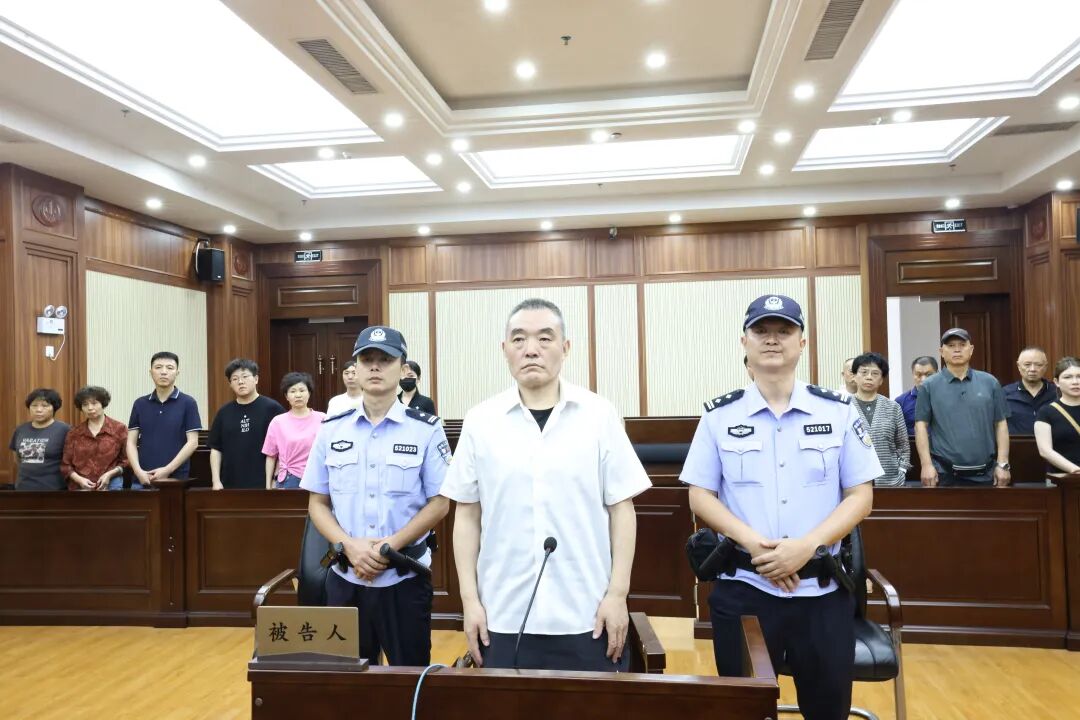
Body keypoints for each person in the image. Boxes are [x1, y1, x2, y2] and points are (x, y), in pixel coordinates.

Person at [681, 294, 881, 720]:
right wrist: (757, 546)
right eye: (761, 331)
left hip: (822, 593)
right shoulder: (718, 416)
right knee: (743, 711)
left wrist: (807, 546)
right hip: (745, 590)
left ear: (802, 343)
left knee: (827, 711)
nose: (772, 339)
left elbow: (861, 496)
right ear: (745, 342)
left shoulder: (839, 411)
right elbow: (700, 495)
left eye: (784, 330)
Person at [441, 298, 651, 672]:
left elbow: (622, 509)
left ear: (565, 347)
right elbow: (467, 517)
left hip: (588, 612)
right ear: (504, 349)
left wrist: (618, 594)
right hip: (501, 614)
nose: (531, 349)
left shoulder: (599, 415)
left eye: (544, 338)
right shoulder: (480, 421)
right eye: (519, 339)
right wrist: (469, 601)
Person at [301, 325, 450, 666]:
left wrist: (389, 546)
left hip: (404, 577)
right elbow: (317, 504)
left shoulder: (426, 429)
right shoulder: (331, 428)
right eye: (367, 359)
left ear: (403, 368)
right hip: (345, 577)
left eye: (385, 359)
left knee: (409, 678)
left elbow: (440, 503)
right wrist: (351, 547)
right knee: (347, 682)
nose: (375, 367)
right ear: (355, 367)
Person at [914, 329, 1011, 487]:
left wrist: (1003, 464)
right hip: (944, 474)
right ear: (941, 352)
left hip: (986, 473)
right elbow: (920, 427)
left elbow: (1001, 424)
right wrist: (926, 465)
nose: (957, 349)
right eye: (951, 346)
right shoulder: (929, 386)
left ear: (971, 349)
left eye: (962, 345)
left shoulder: (990, 382)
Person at [126, 351, 202, 488]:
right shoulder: (140, 403)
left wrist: (167, 470)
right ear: (151, 372)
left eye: (170, 368)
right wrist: (138, 472)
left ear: (177, 373)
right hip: (142, 478)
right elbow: (131, 443)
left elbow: (193, 442)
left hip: (176, 478)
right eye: (158, 367)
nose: (164, 372)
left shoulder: (188, 403)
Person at [208, 359, 285, 490]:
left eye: (245, 376)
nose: (240, 382)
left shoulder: (273, 409)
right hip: (230, 483)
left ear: (256, 379)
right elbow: (215, 449)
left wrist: (275, 479)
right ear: (230, 384)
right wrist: (216, 481)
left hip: (264, 483)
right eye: (235, 379)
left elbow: (283, 448)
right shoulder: (224, 412)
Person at [850, 352, 910, 486]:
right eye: (864, 372)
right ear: (854, 376)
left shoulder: (893, 407)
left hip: (890, 481)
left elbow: (903, 445)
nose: (869, 377)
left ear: (882, 380)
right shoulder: (844, 407)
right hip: (853, 481)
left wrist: (902, 471)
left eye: (875, 373)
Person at [262, 372, 325, 489]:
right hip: (288, 480)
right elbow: (271, 456)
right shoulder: (278, 421)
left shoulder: (322, 419)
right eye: (293, 391)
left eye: (302, 390)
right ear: (286, 396)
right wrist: (268, 485)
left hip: (317, 477)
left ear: (309, 393)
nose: (298, 395)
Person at [61, 386, 127, 491]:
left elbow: (126, 461)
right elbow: (66, 465)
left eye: (94, 403)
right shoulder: (74, 432)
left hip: (111, 484)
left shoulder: (119, 428)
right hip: (80, 486)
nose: (90, 408)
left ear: (103, 404)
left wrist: (110, 474)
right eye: (85, 404)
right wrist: (79, 480)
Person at [8, 389, 71, 491]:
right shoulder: (20, 430)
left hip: (55, 490)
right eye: (34, 405)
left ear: (54, 408)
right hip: (23, 488)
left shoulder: (65, 430)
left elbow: (71, 461)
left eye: (44, 406)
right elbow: (17, 458)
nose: (38, 410)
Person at [1034, 357, 1080, 474]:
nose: (1075, 382)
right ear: (1056, 382)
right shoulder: (1046, 412)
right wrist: (1075, 470)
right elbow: (1045, 451)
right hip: (1062, 478)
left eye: (1079, 376)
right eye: (1068, 377)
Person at [1003, 347, 1057, 435]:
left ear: (1046, 366)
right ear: (1018, 366)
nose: (1032, 369)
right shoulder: (1004, 394)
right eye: (1027, 364)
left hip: (1053, 443)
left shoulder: (1057, 393)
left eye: (1038, 365)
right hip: (1016, 443)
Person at [894, 356, 938, 436]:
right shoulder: (900, 402)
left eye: (929, 375)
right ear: (913, 375)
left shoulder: (947, 398)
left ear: (937, 373)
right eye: (918, 375)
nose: (924, 379)